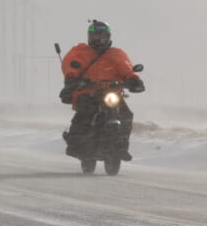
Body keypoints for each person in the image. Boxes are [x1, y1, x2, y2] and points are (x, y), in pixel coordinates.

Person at [59, 20, 144, 161]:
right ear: (90, 36)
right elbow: (71, 65)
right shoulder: (80, 52)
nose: (100, 40)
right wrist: (72, 77)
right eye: (97, 36)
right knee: (85, 114)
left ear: (109, 37)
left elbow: (126, 68)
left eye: (104, 36)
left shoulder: (117, 54)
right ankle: (75, 144)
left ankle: (122, 147)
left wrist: (134, 79)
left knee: (126, 115)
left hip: (111, 93)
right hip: (87, 92)